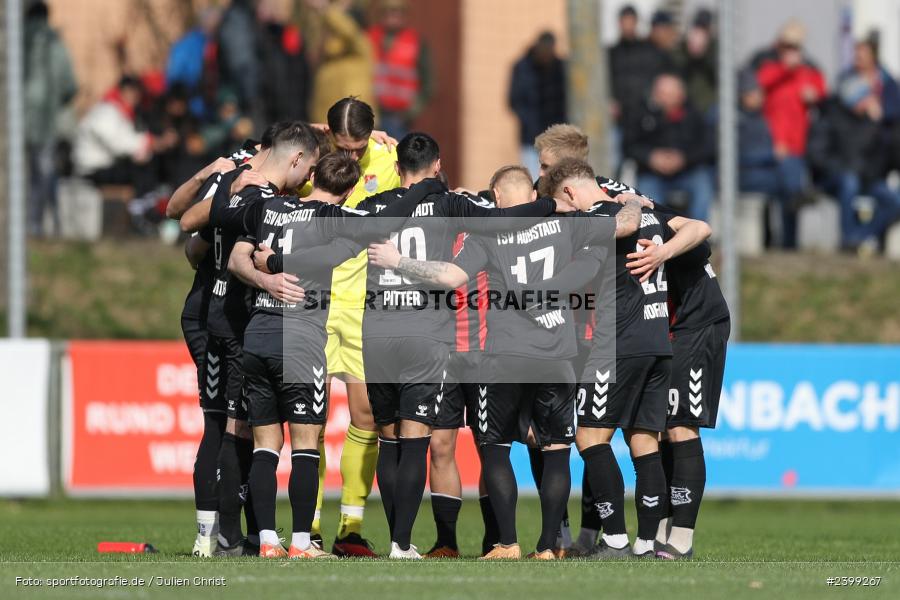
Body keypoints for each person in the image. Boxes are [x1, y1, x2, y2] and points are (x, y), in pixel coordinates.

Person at [361, 132, 570, 559]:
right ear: (437, 167)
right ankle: (446, 541)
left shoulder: (464, 211)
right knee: (440, 444)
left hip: (478, 347)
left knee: (487, 443)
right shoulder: (453, 208)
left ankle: (501, 537)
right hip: (441, 344)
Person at [537, 158, 704, 559]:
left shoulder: (595, 219)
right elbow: (697, 226)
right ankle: (647, 542)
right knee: (643, 439)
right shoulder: (648, 215)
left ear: (570, 192)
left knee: (590, 437)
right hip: (657, 340)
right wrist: (634, 205)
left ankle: (613, 539)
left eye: (563, 204)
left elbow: (615, 230)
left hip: (617, 343)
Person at [753, 20, 826, 249]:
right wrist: (786, 68)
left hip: (797, 145)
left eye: (796, 48)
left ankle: (789, 242)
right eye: (787, 47)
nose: (792, 53)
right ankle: (775, 239)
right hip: (771, 143)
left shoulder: (808, 71)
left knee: (788, 195)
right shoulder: (770, 67)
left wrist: (814, 95)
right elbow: (762, 81)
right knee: (782, 193)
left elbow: (821, 90)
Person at [624, 73, 714, 220]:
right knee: (647, 196)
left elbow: (706, 146)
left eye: (669, 95)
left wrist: (683, 158)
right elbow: (629, 146)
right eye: (660, 94)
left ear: (681, 95)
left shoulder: (694, 115)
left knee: (703, 185)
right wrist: (651, 157)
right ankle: (656, 234)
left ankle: (697, 234)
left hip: (687, 171)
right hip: (651, 173)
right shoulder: (641, 114)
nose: (663, 99)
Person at [24, 0, 77, 237]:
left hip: (13, 125)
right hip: (46, 122)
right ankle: (39, 225)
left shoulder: (12, 41)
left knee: (17, 174)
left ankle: (16, 227)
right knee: (44, 172)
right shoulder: (54, 43)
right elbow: (69, 85)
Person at [73, 76, 176, 196]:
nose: (136, 98)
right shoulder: (107, 110)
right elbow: (119, 144)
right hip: (92, 169)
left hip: (104, 166)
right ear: (123, 91)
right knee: (140, 172)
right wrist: (151, 142)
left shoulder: (120, 111)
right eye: (133, 92)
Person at [367, 0, 434, 140]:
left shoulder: (416, 41)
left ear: (404, 15)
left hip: (400, 116)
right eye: (388, 12)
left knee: (396, 155)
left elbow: (429, 82)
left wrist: (413, 109)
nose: (392, 16)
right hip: (370, 111)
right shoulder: (369, 37)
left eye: (397, 12)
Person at [306, 0, 376, 123]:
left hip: (355, 122)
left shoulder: (361, 46)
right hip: (326, 124)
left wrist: (326, 9)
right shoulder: (326, 60)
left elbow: (349, 31)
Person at [509, 31, 567, 178]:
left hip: (555, 138)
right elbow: (514, 100)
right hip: (531, 138)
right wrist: (529, 122)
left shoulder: (561, 68)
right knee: (533, 179)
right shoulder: (522, 68)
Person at [165, 6, 221, 120]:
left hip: (211, 105)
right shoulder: (188, 45)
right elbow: (174, 77)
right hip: (195, 108)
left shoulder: (211, 42)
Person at [673, 9, 717, 115]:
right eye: (698, 27)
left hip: (709, 104)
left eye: (704, 28)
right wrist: (689, 52)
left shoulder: (716, 47)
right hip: (686, 103)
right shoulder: (682, 47)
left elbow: (717, 72)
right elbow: (676, 69)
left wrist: (704, 53)